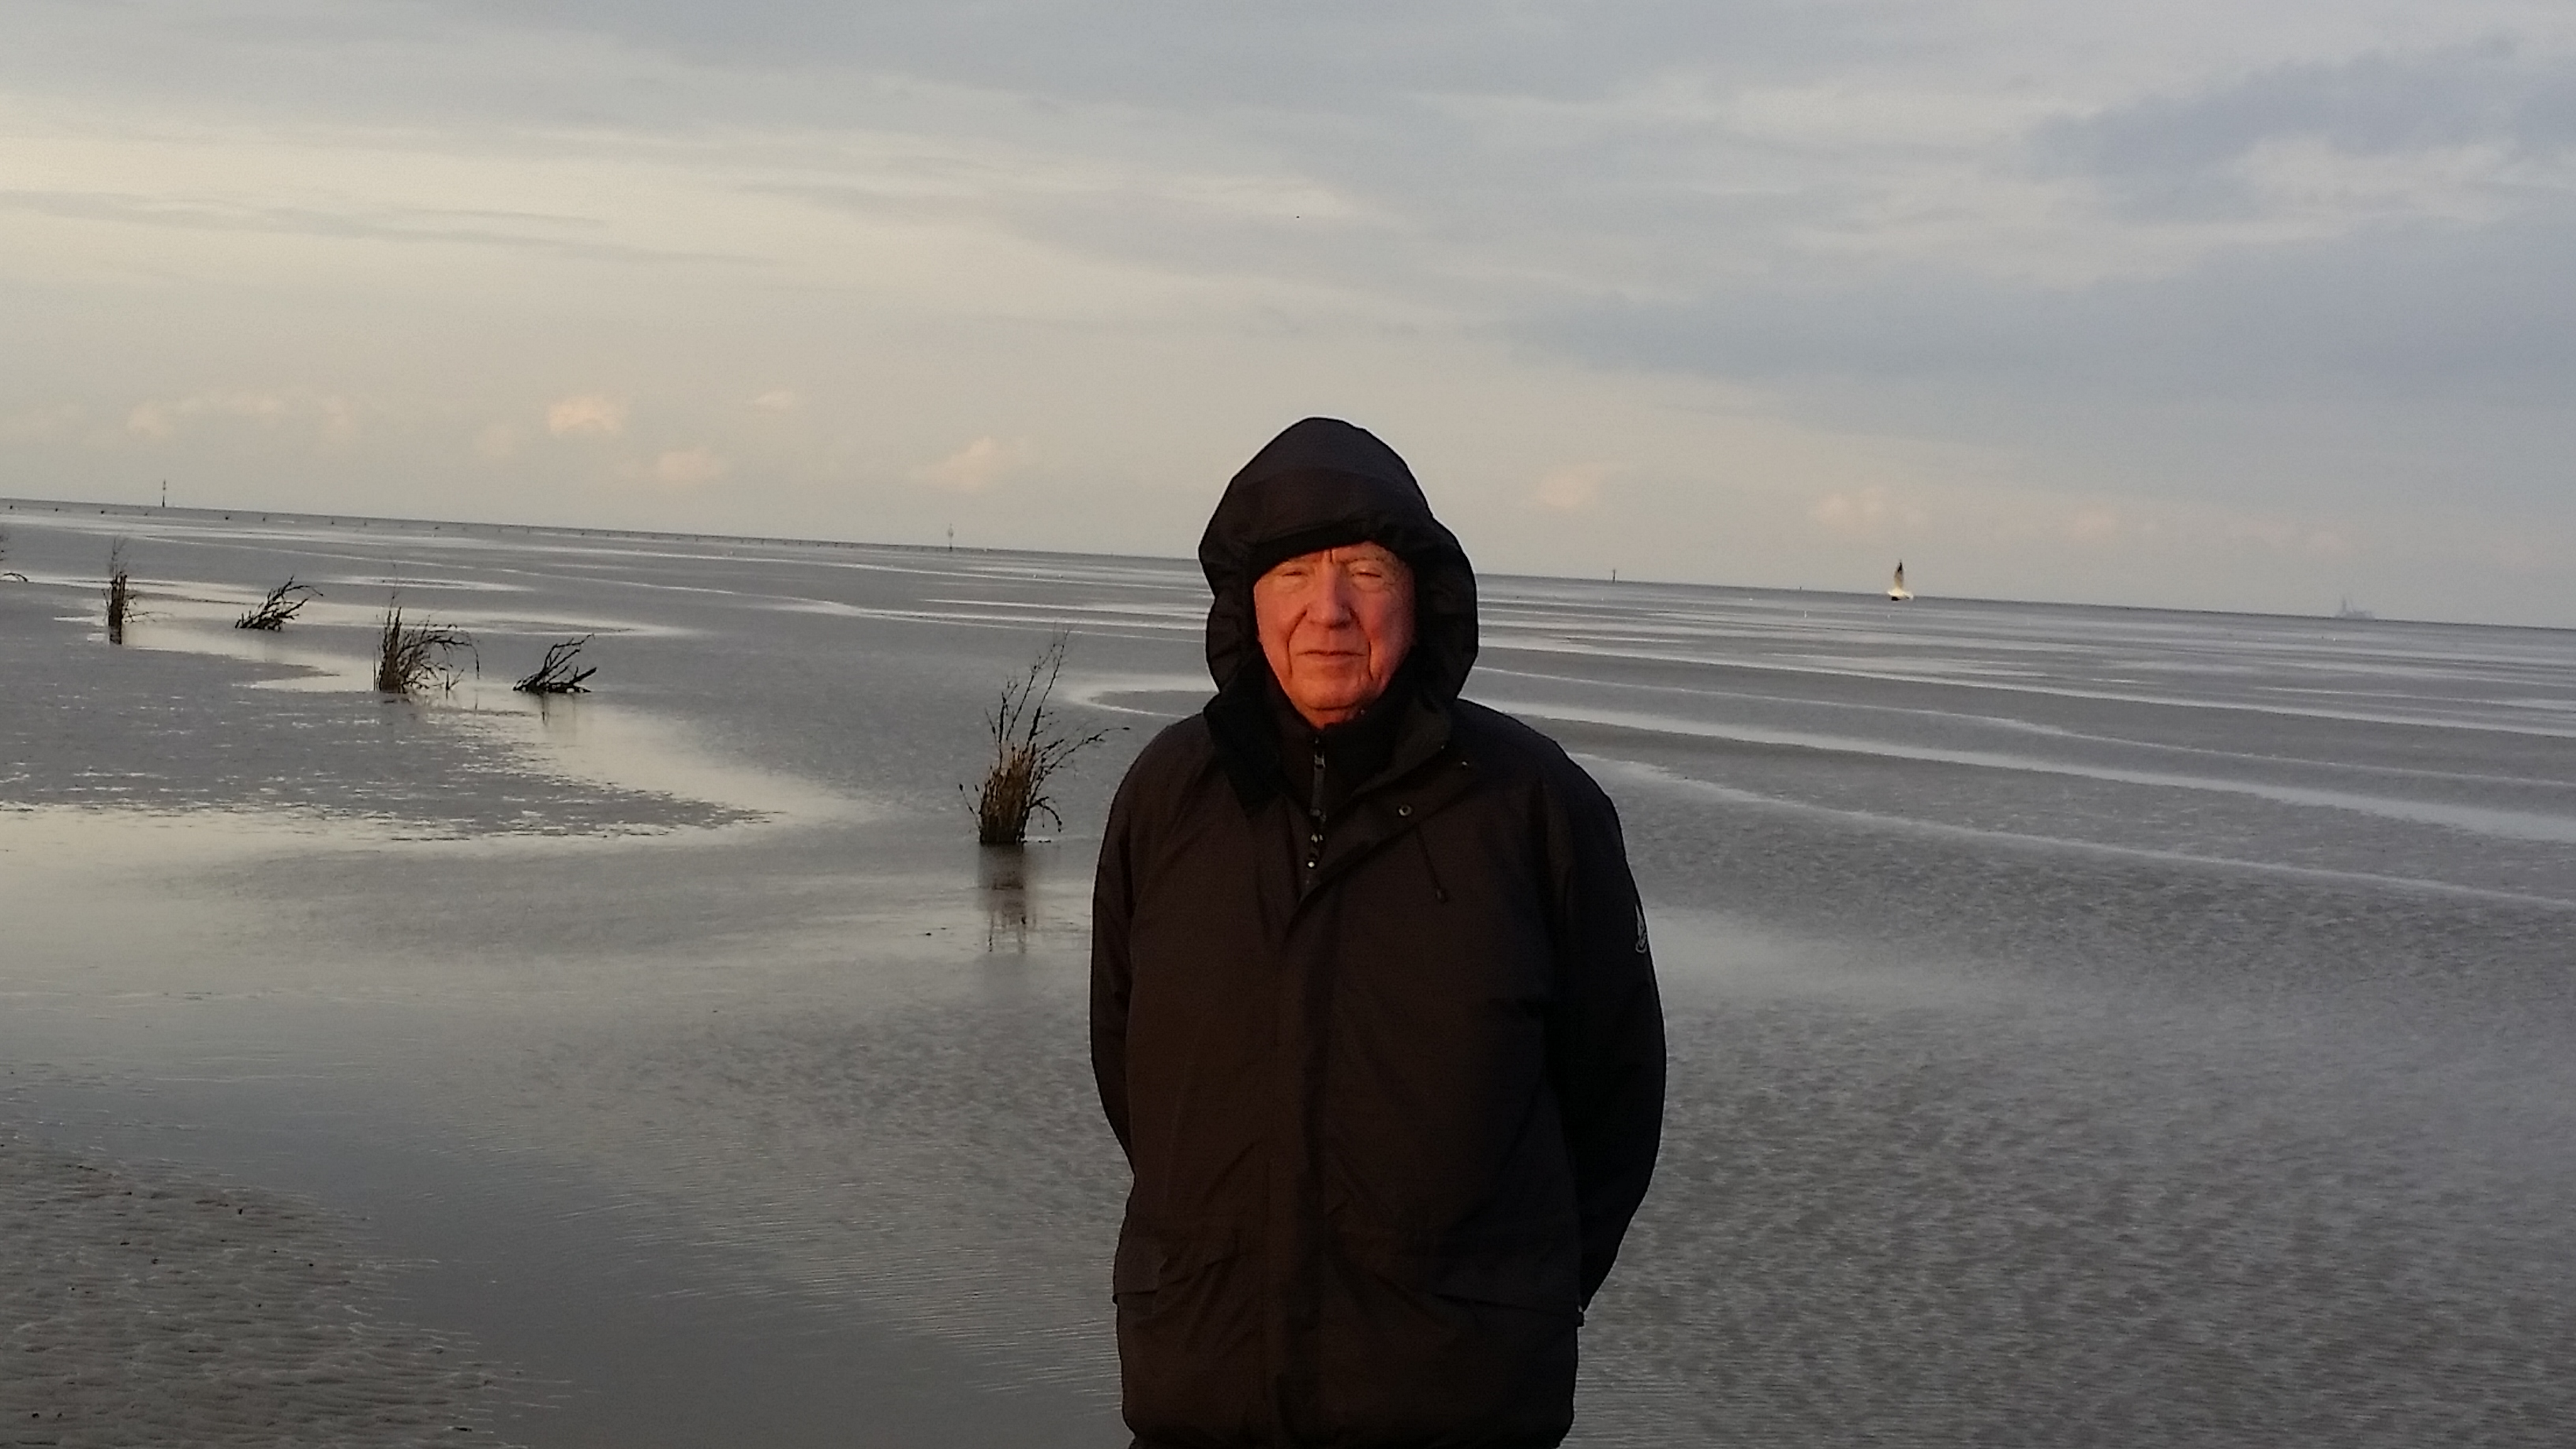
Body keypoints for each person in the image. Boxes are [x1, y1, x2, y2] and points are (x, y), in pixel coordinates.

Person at [1091, 417, 1667, 1447]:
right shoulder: (1170, 797)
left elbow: (1615, 1102)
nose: (1330, 610)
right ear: (1247, 602)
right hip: (1202, 1396)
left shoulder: (1534, 807)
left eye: (1365, 571)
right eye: (1294, 574)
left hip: (1457, 1409)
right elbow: (1126, 1067)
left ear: (1423, 596)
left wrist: (1496, 1309)